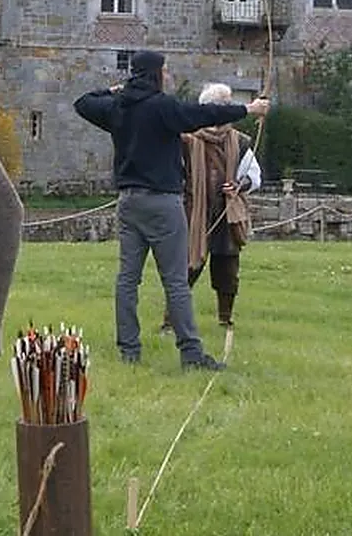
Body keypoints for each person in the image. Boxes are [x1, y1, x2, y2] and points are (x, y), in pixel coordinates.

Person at [74, 50, 269, 371]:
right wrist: (248, 109)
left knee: (127, 279)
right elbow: (204, 114)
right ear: (155, 73)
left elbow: (83, 102)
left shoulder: (117, 107)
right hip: (163, 203)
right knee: (176, 281)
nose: (166, 76)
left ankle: (129, 351)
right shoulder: (162, 107)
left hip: (128, 202)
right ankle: (191, 354)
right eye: (163, 71)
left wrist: (115, 89)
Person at [181, 83, 263, 328]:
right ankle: (171, 320)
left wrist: (239, 185)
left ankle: (225, 318)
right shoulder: (186, 140)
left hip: (226, 214)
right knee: (186, 270)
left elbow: (254, 175)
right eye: (223, 105)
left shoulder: (240, 141)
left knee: (227, 269)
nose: (227, 109)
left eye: (228, 105)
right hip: (193, 212)